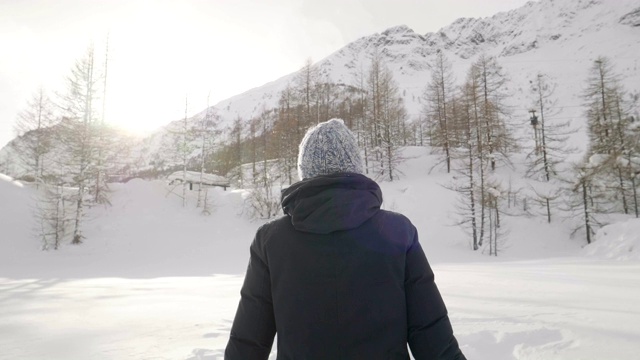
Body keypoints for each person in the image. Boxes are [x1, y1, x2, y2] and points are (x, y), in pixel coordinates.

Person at [225, 119, 466, 360]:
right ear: (355, 167)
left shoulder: (271, 241)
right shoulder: (397, 231)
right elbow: (432, 333)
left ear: (305, 173)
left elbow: (248, 340)